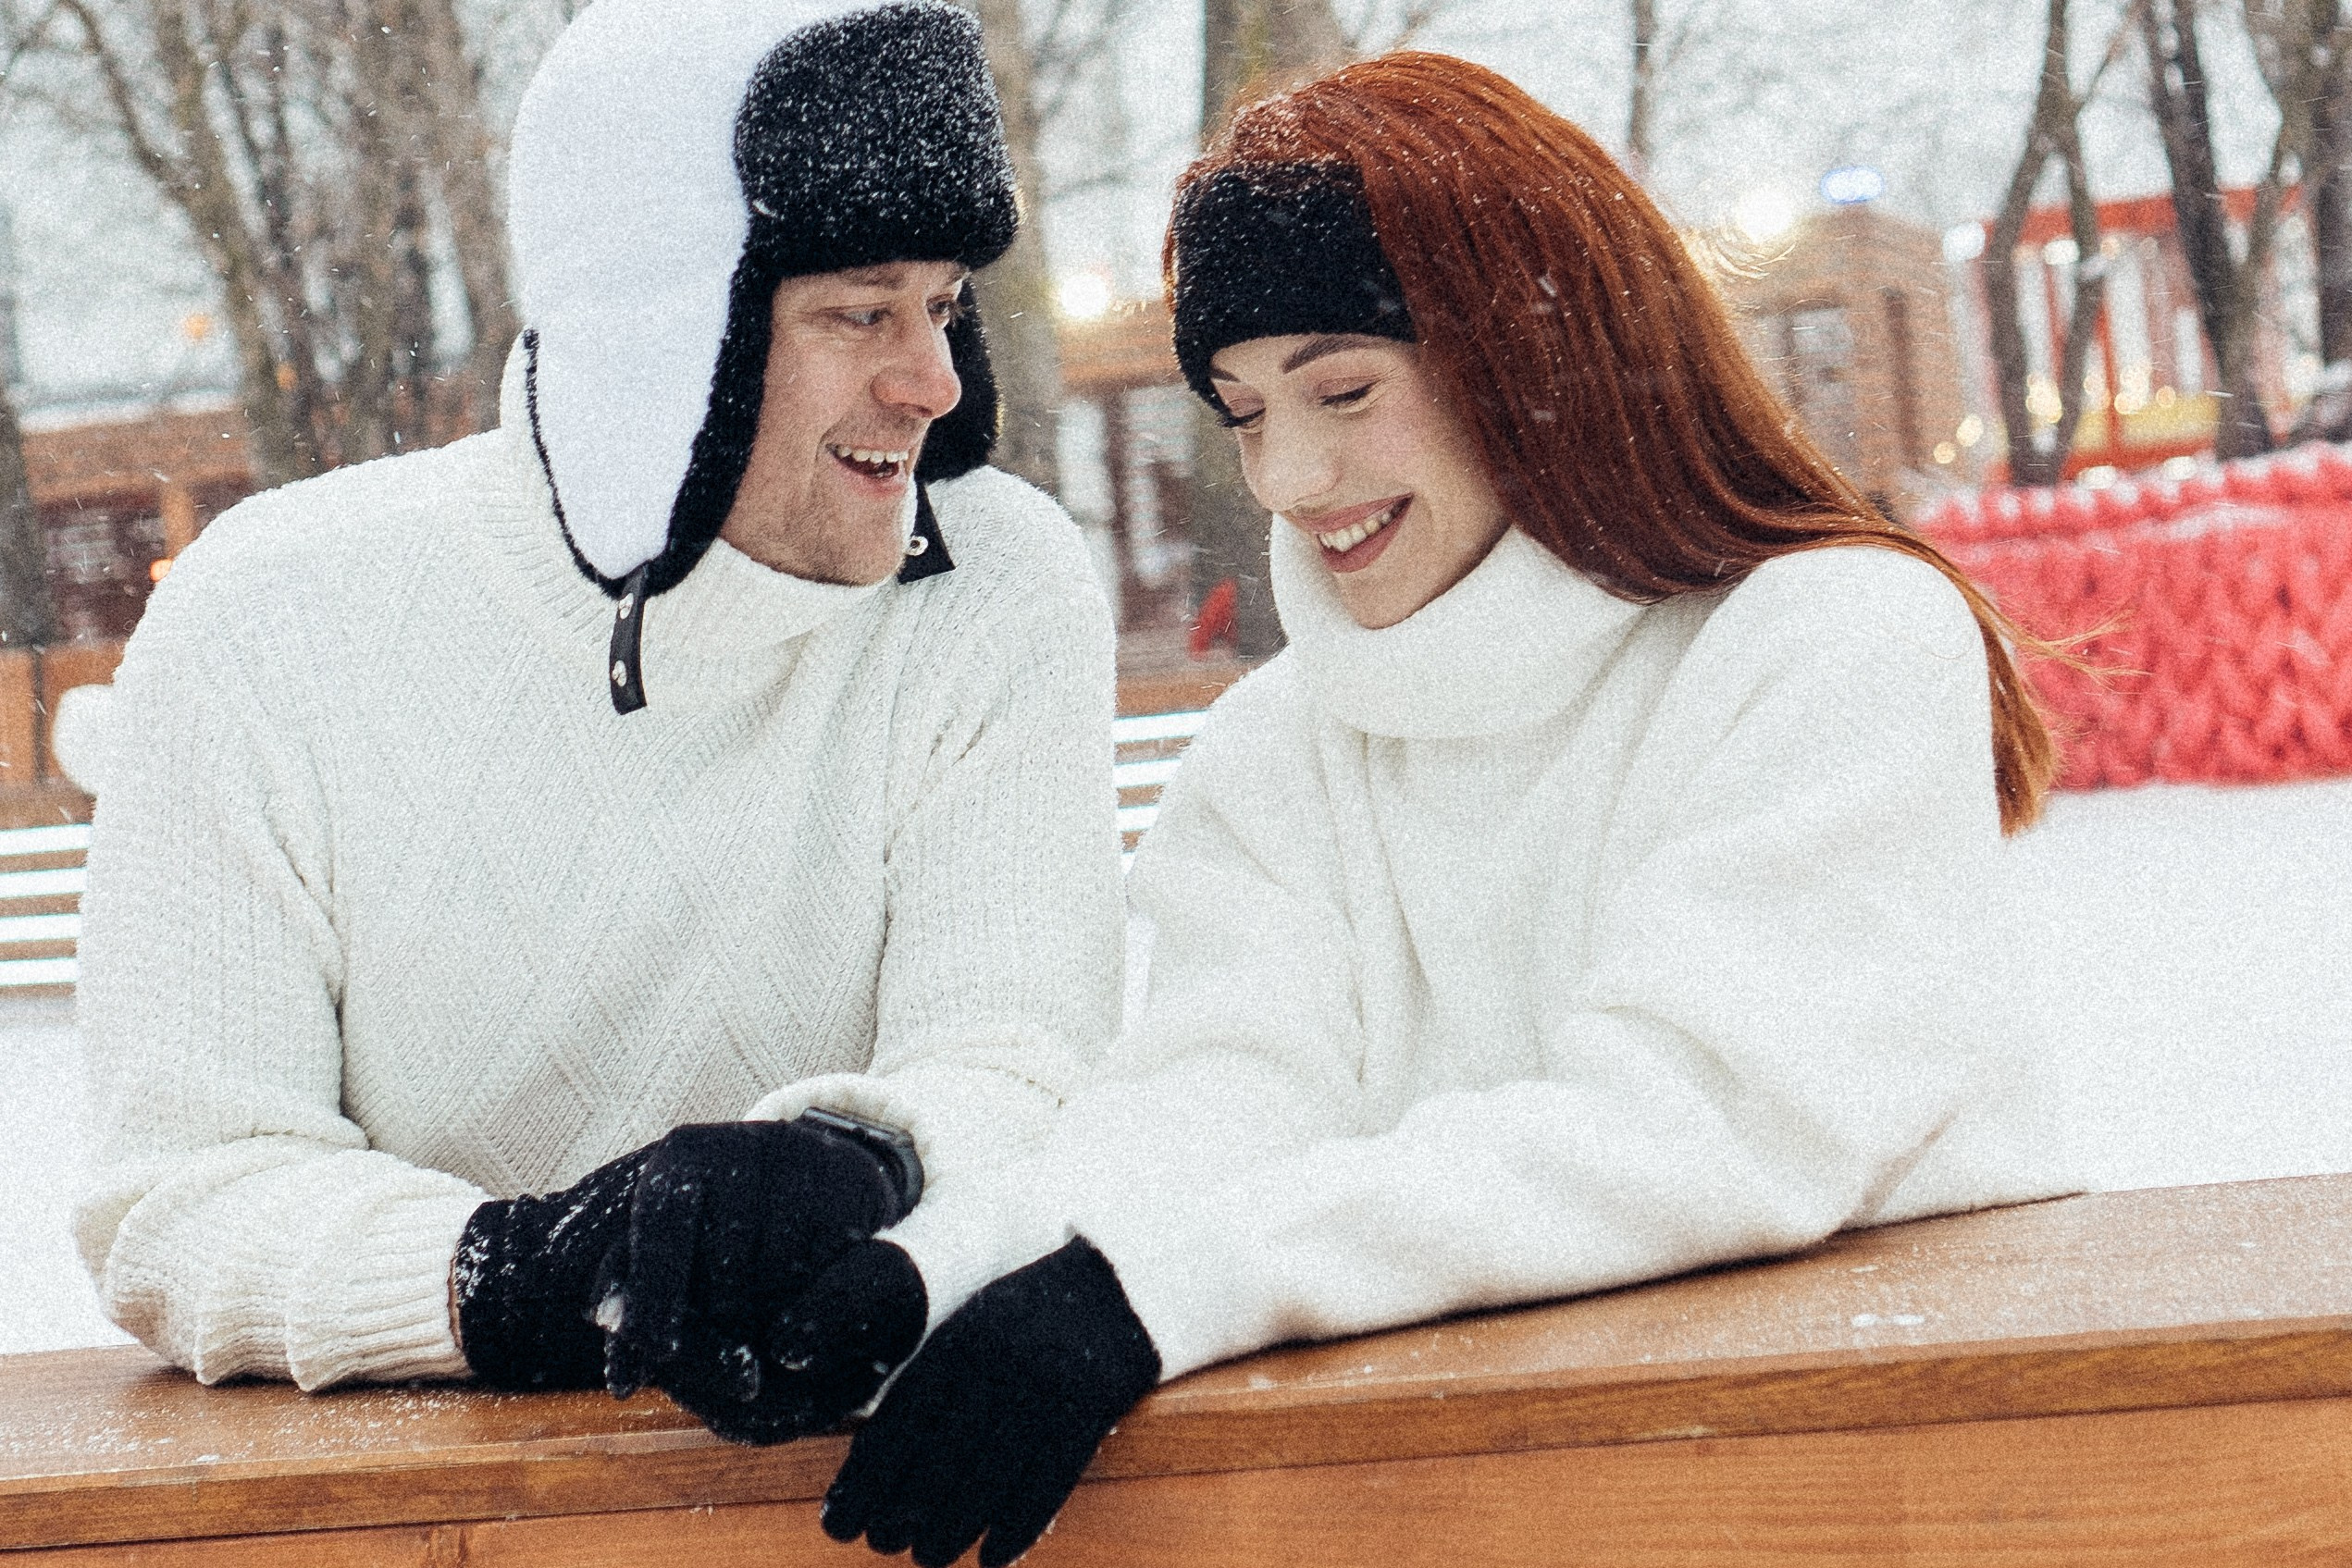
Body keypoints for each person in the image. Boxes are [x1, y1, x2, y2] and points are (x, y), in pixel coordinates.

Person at [680, 52, 2086, 1568]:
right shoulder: (1283, 747)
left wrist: (1161, 1287)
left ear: (1527, 353)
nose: (1289, 476)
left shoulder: (1828, 640)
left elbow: (1699, 1122)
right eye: (1242, 413)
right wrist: (940, 1270)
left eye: (1342, 390)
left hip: (1895, 1486)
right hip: (1495, 1507)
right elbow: (1226, 1094)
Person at [70, 0, 1121, 1412]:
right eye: (859, 311)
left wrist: (875, 1158)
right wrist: (522, 1276)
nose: (931, 381)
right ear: (663, 346)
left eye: (942, 305)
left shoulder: (995, 591)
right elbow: (182, 1195)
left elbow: (1026, 1068)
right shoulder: (268, 615)